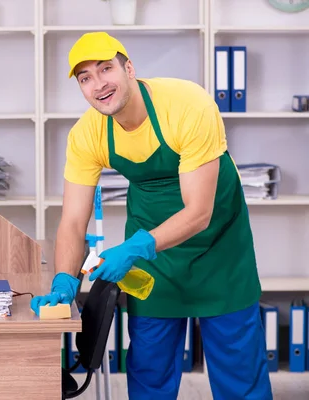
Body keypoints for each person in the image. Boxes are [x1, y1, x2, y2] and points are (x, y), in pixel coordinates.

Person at [30, 32, 273, 399]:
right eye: (85, 78)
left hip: (219, 249)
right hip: (153, 260)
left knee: (240, 376)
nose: (98, 85)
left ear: (129, 68)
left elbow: (198, 213)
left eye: (105, 69)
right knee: (149, 374)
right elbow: (72, 222)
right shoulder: (87, 135)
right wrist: (64, 282)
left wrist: (135, 248)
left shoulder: (188, 105)